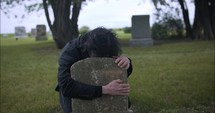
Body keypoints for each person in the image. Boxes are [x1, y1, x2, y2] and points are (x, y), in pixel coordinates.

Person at [55, 27, 133, 113]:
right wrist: (105, 89)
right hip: (75, 88)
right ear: (89, 49)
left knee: (124, 106)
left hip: (101, 82)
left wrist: (127, 63)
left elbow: (120, 75)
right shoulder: (69, 52)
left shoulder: (108, 45)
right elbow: (65, 86)